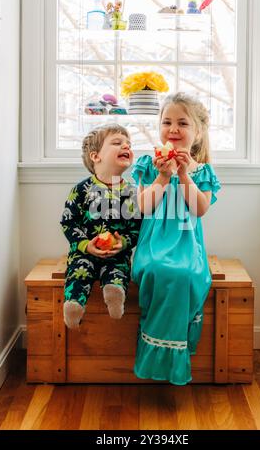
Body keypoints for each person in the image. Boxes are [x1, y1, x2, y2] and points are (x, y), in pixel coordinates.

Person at [131, 92, 221, 385]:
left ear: (197, 133)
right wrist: (162, 177)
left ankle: (175, 351)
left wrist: (183, 176)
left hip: (187, 245)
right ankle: (155, 349)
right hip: (154, 243)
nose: (173, 129)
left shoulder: (202, 171)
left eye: (182, 123)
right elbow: (143, 207)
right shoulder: (149, 164)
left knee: (184, 275)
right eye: (167, 122)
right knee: (157, 269)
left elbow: (201, 209)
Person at [60, 124, 141, 329]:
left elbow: (136, 228)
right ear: (96, 156)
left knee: (118, 270)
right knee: (79, 271)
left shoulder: (131, 192)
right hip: (84, 252)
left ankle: (114, 294)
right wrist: (86, 245)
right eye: (117, 142)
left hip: (116, 253)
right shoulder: (81, 190)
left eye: (128, 144)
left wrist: (123, 243)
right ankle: (74, 304)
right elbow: (69, 222)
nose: (126, 146)